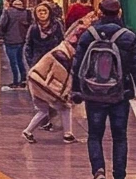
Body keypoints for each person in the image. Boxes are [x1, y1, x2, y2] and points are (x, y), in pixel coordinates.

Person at [71, 0, 136, 179]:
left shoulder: (89, 35)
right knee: (119, 136)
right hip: (119, 93)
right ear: (119, 12)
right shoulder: (127, 36)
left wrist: (76, 90)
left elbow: (77, 64)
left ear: (100, 12)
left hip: (94, 94)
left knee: (94, 135)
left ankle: (98, 170)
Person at [23, 15, 95, 144]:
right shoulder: (63, 55)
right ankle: (68, 134)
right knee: (65, 106)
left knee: (43, 110)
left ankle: (28, 131)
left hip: (36, 79)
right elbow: (61, 77)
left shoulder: (63, 50)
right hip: (42, 82)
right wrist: (65, 93)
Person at [0, 0, 30, 89]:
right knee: (20, 60)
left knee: (13, 61)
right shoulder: (26, 13)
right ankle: (23, 80)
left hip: (10, 39)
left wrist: (1, 33)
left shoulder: (8, 12)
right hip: (21, 40)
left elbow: (2, 24)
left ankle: (15, 81)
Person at [25, 3, 64, 70]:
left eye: (44, 11)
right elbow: (28, 46)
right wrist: (31, 63)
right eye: (39, 11)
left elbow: (62, 42)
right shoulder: (33, 28)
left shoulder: (56, 25)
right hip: (38, 62)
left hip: (54, 62)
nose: (42, 13)